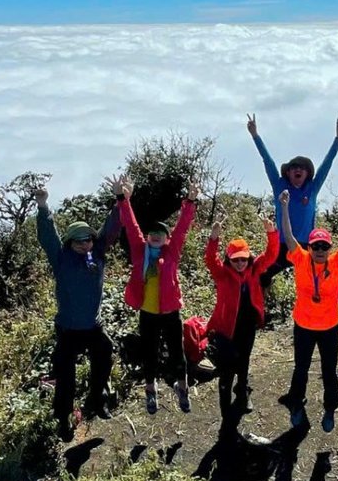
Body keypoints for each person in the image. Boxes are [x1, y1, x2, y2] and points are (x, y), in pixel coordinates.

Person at [35, 178, 124, 441]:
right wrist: (43, 206)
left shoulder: (97, 254)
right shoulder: (61, 258)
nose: (86, 243)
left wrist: (120, 200)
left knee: (105, 354)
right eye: (80, 240)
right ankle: (63, 418)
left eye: (88, 239)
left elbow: (111, 228)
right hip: (68, 329)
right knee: (65, 376)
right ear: (70, 242)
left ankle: (98, 400)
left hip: (93, 326)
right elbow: (48, 236)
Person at [279, 188, 338, 432]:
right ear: (310, 247)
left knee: (329, 370)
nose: (321, 250)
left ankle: (329, 409)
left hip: (329, 328)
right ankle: (296, 404)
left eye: (324, 245)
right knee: (301, 368)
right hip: (303, 326)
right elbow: (289, 234)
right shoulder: (301, 258)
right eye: (316, 245)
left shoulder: (337, 262)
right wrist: (284, 207)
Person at [118, 178, 199, 414]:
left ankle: (182, 389)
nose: (155, 235)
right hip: (148, 313)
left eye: (160, 233)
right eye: (152, 232)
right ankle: (151, 392)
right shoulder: (139, 251)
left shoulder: (171, 251)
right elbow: (131, 227)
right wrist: (123, 200)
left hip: (171, 312)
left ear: (166, 238)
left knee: (177, 353)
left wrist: (190, 201)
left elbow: (183, 226)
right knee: (149, 354)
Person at [203, 204, 281, 427]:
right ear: (229, 259)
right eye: (236, 259)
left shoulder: (255, 269)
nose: (240, 263)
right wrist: (214, 237)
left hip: (247, 325)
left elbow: (272, 254)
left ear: (248, 257)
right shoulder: (222, 274)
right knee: (227, 367)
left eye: (243, 258)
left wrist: (271, 232)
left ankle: (243, 391)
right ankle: (225, 407)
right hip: (226, 327)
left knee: (244, 360)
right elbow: (210, 260)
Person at [247, 113, 338, 285]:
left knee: (318, 281)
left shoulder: (312, 189)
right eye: (294, 168)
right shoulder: (280, 186)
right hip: (283, 245)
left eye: (302, 168)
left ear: (307, 173)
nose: (298, 170)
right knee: (260, 276)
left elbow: (326, 165)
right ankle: (261, 308)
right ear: (288, 173)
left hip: (307, 246)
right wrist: (255, 135)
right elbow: (267, 161)